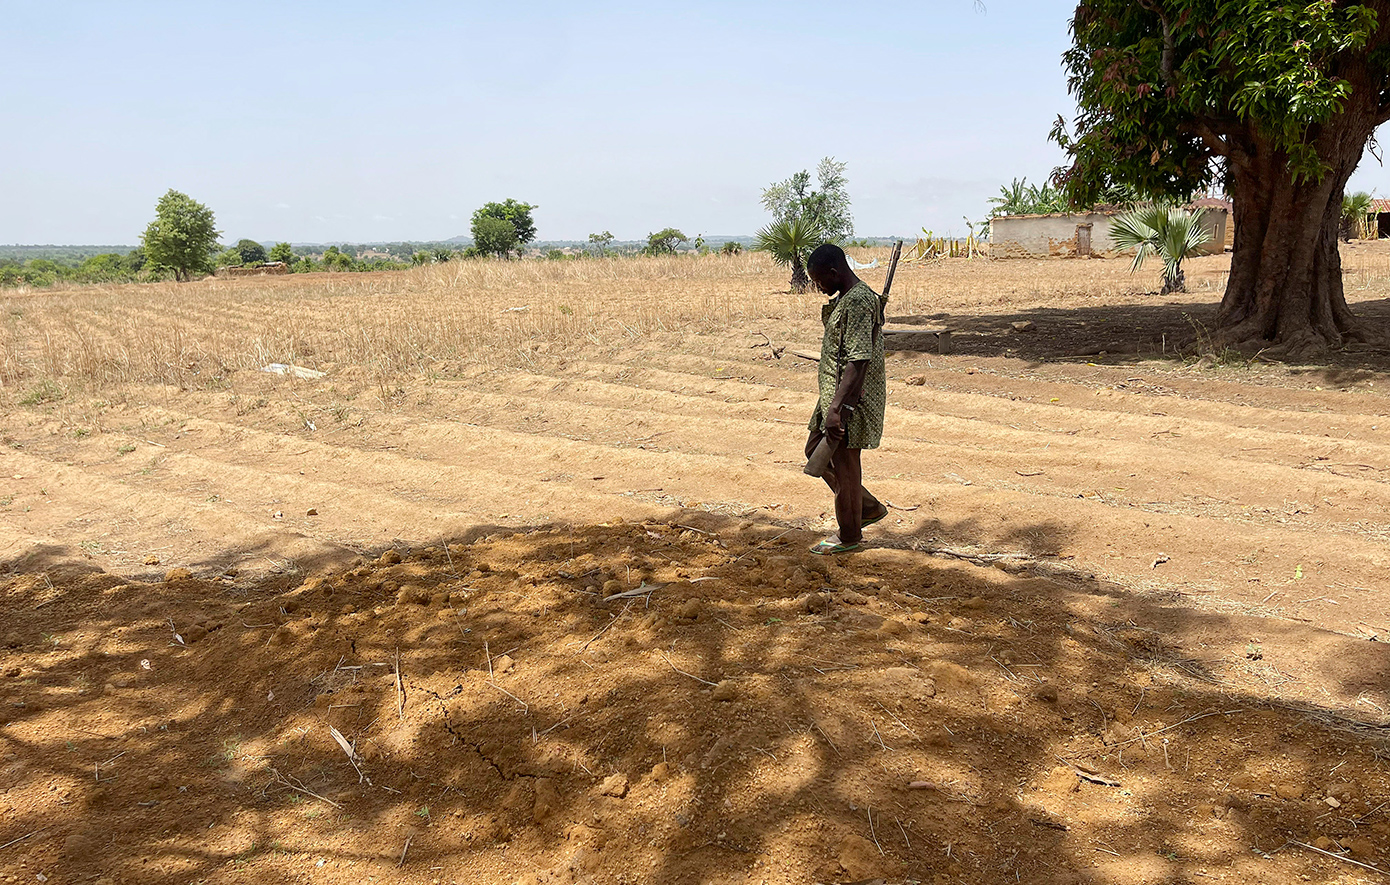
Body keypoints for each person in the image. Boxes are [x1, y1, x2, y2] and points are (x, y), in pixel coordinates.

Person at [804, 243, 889, 555]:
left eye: (819, 281)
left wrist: (838, 409)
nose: (818, 287)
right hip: (835, 396)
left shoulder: (857, 303)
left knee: (844, 464)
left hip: (851, 398)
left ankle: (850, 534)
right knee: (815, 450)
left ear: (834, 272)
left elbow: (857, 361)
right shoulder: (849, 299)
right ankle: (865, 507)